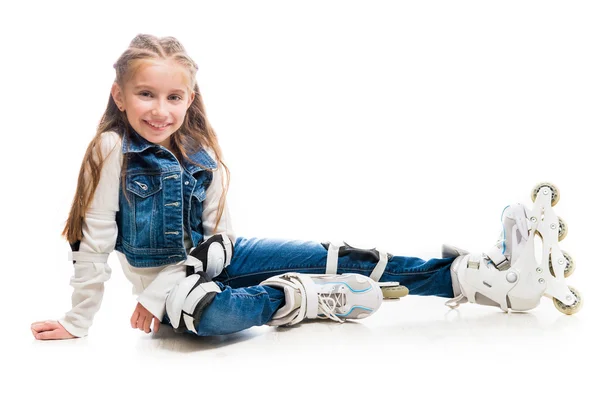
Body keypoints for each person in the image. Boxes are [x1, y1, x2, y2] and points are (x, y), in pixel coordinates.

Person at [30, 34, 582, 341]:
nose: (160, 109)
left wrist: (188, 281)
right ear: (119, 95)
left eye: (174, 97)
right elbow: (94, 240)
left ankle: (490, 280)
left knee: (342, 255)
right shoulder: (111, 150)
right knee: (212, 316)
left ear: (190, 99)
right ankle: (308, 298)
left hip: (216, 262)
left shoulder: (205, 156)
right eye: (146, 94)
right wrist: (85, 318)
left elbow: (217, 236)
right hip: (172, 285)